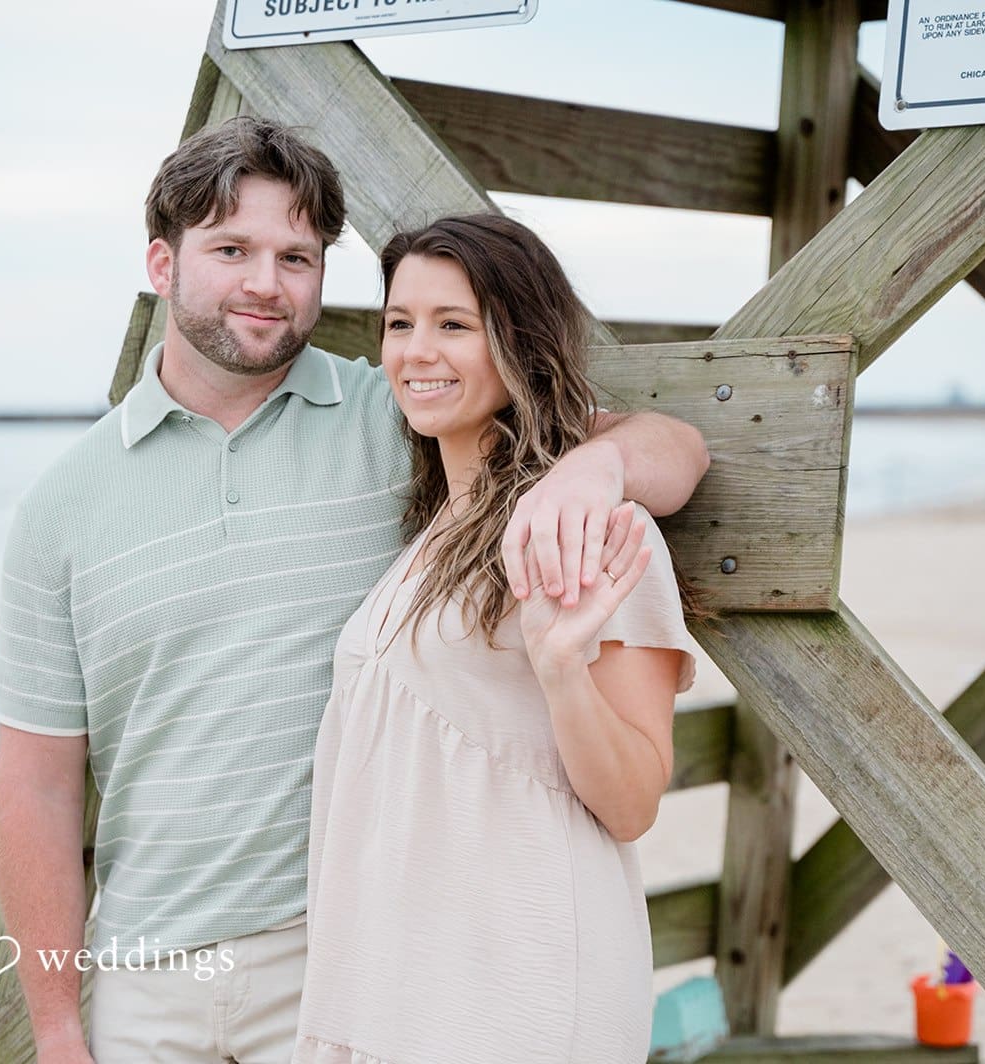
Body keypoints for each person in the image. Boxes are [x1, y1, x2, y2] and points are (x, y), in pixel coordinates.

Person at [0, 117, 709, 1064]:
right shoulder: (61, 506)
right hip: (144, 974)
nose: (265, 282)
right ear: (161, 265)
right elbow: (36, 784)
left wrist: (595, 469)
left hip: (341, 953)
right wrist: (54, 1030)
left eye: (298, 255)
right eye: (232, 248)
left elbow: (670, 444)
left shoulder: (394, 410)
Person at [291, 214, 700, 1064]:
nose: (417, 351)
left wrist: (559, 669)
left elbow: (632, 805)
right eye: (400, 324)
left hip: (518, 981)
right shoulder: (431, 535)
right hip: (397, 977)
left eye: (454, 325)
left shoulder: (594, 530)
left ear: (519, 342)